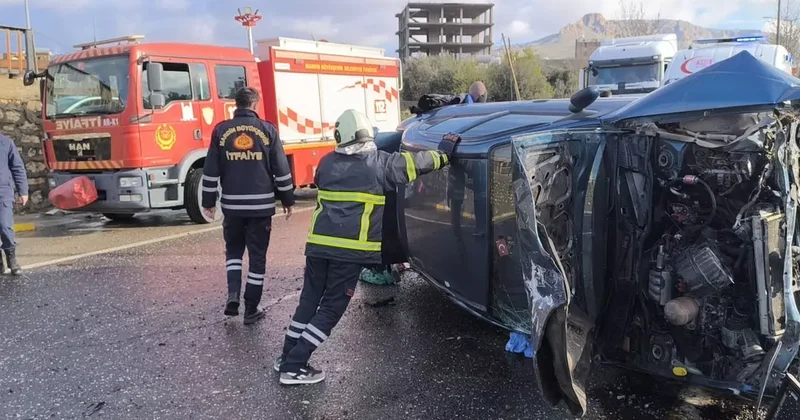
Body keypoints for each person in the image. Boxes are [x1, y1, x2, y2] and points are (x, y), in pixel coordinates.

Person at [274, 109, 459, 385]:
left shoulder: (325, 164)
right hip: (347, 252)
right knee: (331, 310)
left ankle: (286, 357)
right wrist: (444, 152)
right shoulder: (378, 165)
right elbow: (416, 164)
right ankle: (295, 365)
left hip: (317, 247)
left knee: (309, 302)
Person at [201, 87, 295, 325]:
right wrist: (287, 199)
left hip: (232, 208)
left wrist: (208, 202)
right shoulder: (268, 130)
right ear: (255, 105)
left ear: (236, 104)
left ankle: (233, 294)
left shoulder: (221, 131)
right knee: (257, 257)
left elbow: (211, 170)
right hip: (260, 208)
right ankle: (251, 308)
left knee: (233, 252)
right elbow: (281, 170)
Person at [0, 133, 28, 276]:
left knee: (5, 226)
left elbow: (17, 167)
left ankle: (12, 259)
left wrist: (23, 191)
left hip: (3, 192)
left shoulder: (6, 143)